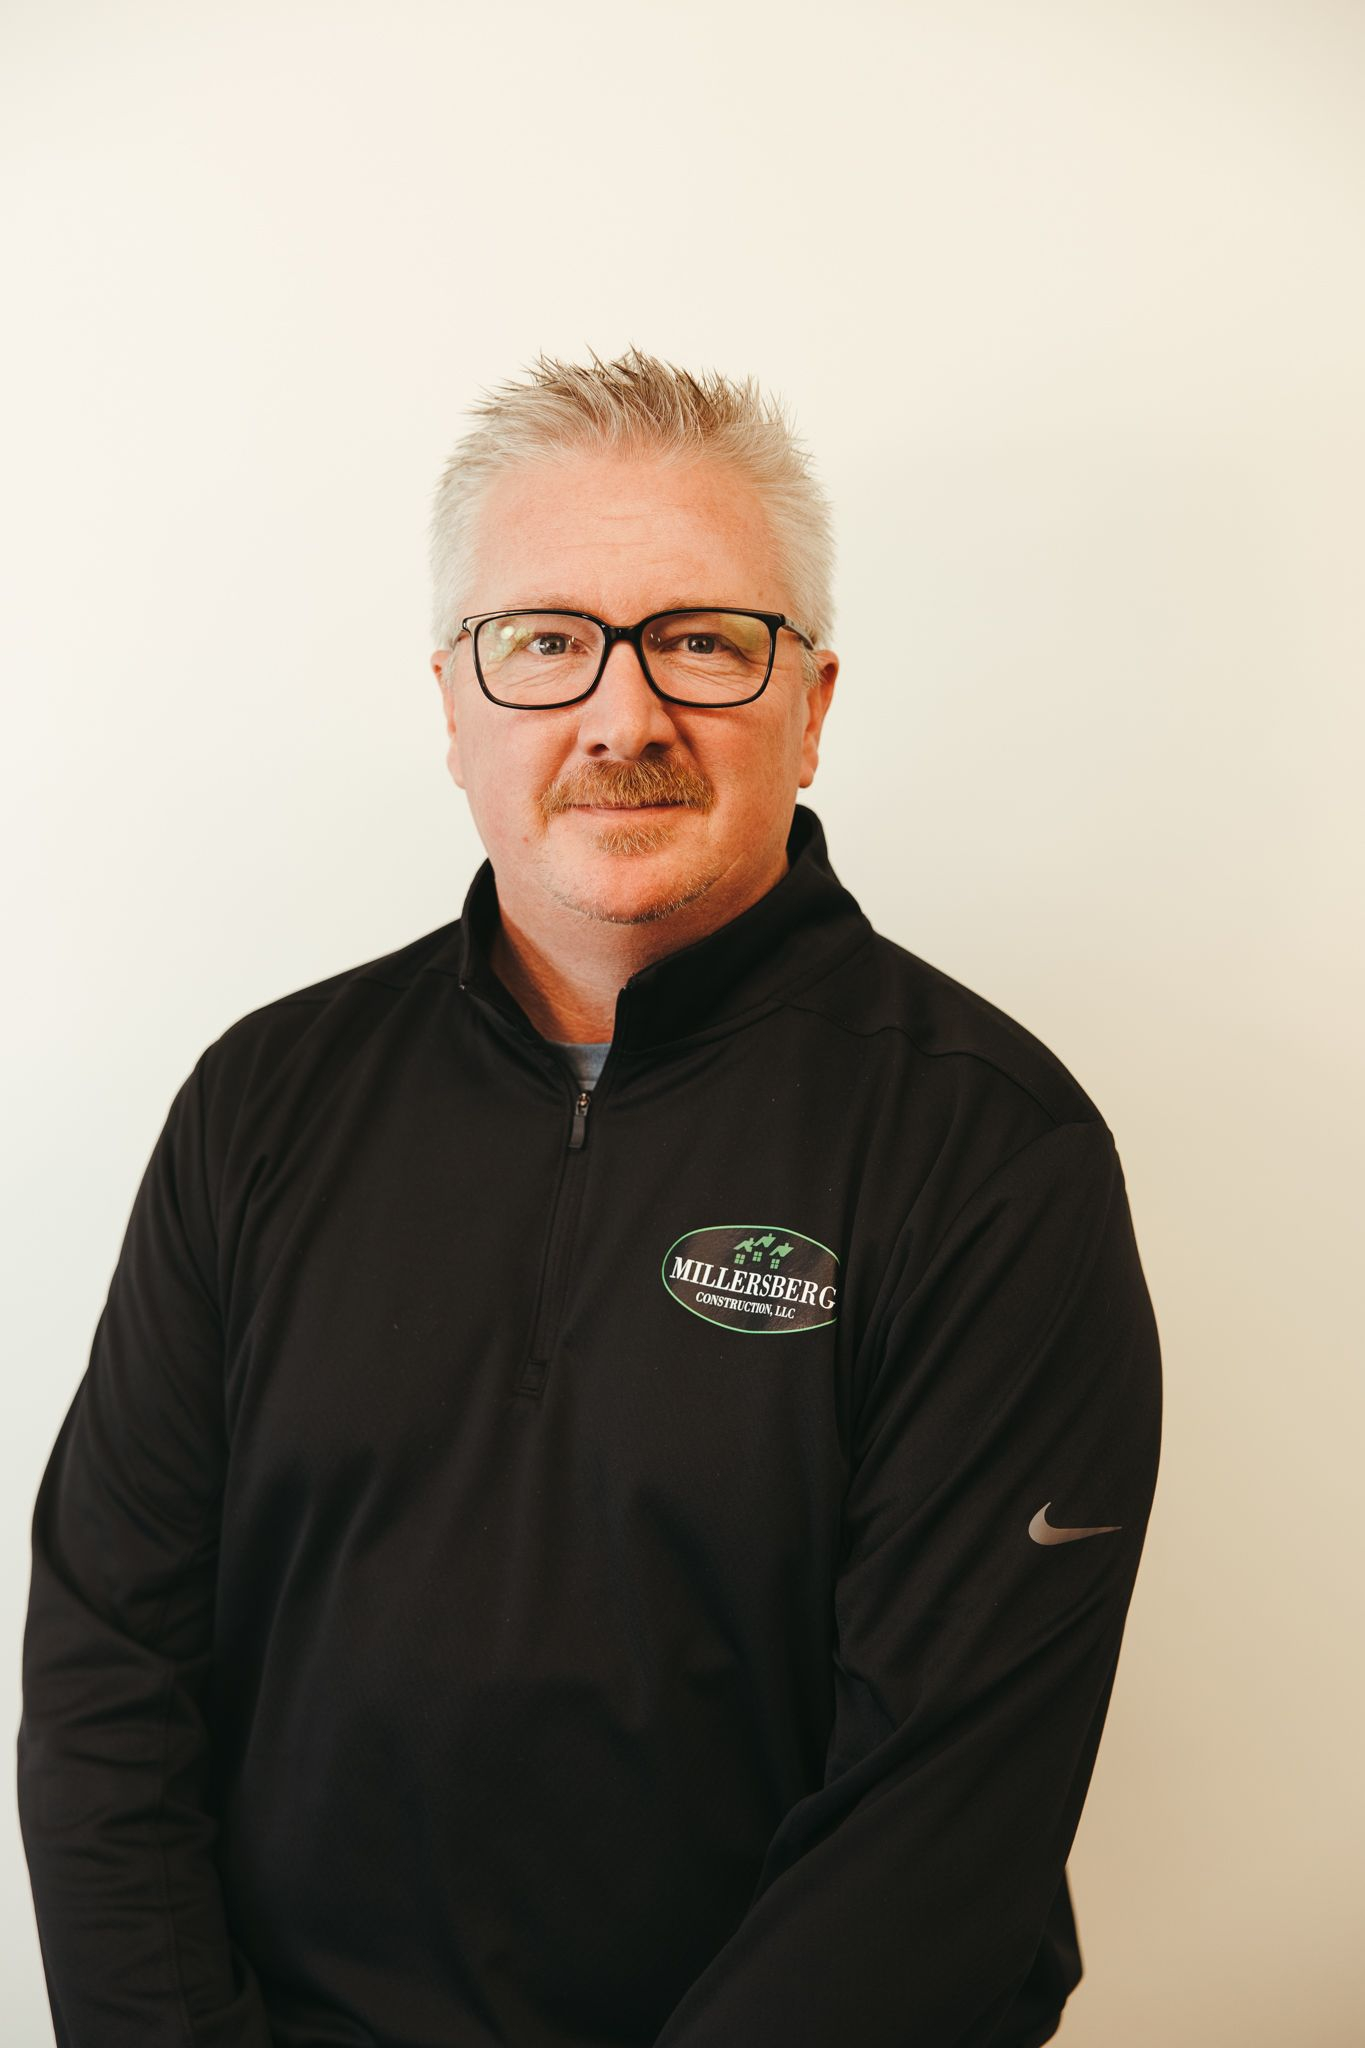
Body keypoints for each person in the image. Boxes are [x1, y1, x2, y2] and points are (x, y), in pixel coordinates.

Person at [17, 348, 1163, 2048]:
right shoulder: (264, 1103)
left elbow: (941, 1831)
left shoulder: (991, 1153)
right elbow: (109, 1668)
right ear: (456, 699)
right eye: (547, 643)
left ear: (815, 699)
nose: (623, 718)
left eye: (703, 640)